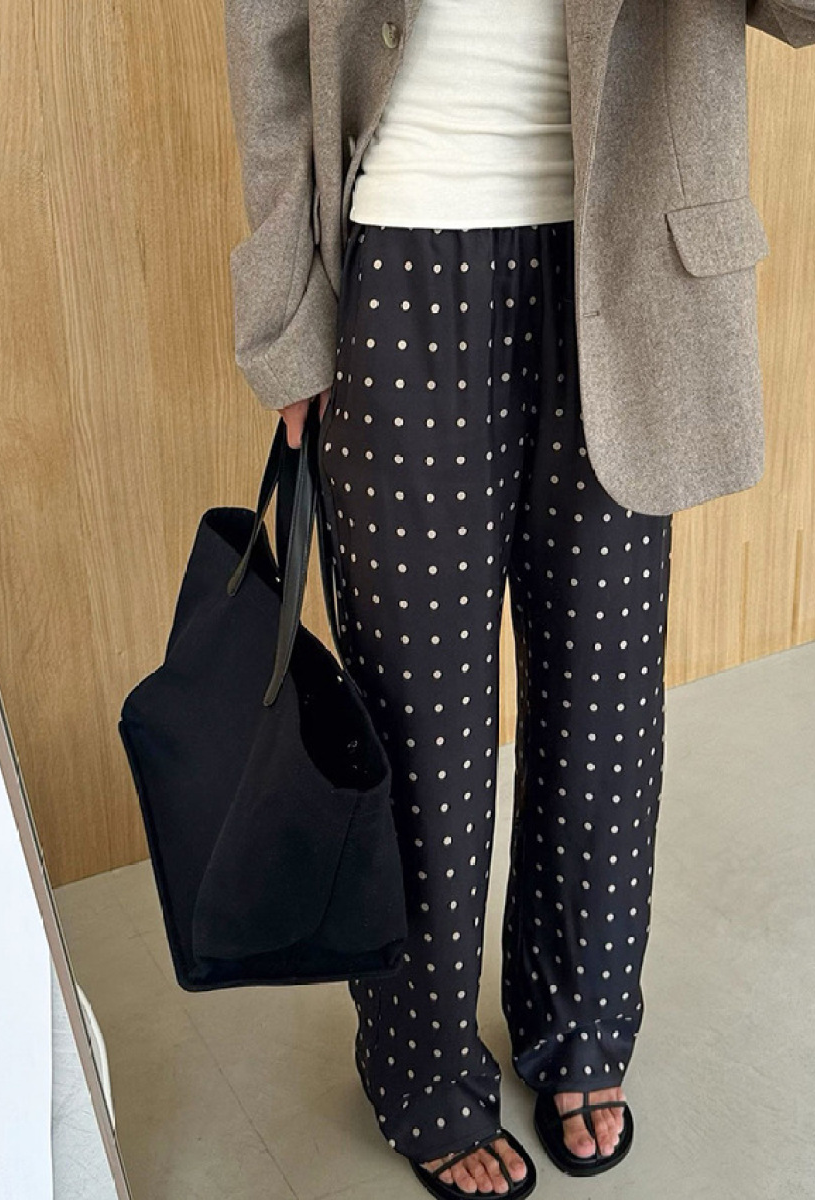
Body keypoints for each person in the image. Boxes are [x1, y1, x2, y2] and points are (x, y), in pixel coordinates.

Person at [258, 4, 669, 1196]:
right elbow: (269, 42)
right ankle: (424, 1070)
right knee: (416, 726)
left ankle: (583, 1020)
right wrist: (286, 313)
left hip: (618, 268)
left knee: (604, 704)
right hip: (400, 264)